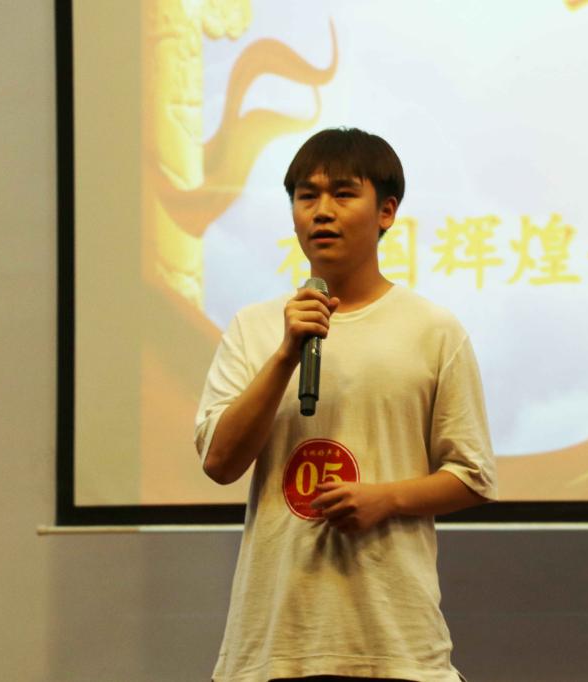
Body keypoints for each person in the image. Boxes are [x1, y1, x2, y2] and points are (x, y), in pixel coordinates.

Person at [195, 127, 498, 682]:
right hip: (275, 644)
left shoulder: (433, 330)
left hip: (396, 644)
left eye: (342, 194)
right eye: (306, 196)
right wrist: (285, 355)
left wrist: (387, 498)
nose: (321, 212)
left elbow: (473, 475)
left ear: (386, 211)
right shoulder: (254, 328)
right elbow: (219, 462)